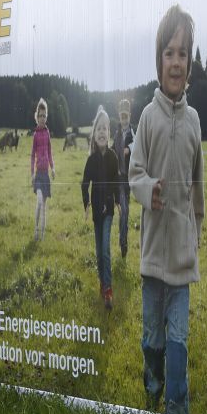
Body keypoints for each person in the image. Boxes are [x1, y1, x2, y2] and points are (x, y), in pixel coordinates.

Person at [128, 4, 205, 414]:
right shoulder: (147, 118)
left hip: (182, 260)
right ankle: (151, 393)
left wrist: (198, 228)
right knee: (152, 340)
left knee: (178, 340)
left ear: (190, 63)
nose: (176, 62)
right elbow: (134, 172)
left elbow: (198, 187)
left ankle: (178, 412)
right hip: (153, 258)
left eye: (183, 54)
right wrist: (147, 190)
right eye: (169, 53)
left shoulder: (193, 120)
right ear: (159, 60)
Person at [81, 106, 120, 310]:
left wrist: (118, 202)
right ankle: (102, 284)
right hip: (96, 211)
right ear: (94, 134)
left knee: (105, 249)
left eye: (105, 128)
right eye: (99, 129)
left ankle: (108, 289)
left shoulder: (113, 157)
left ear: (109, 132)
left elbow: (117, 180)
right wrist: (86, 203)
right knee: (98, 253)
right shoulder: (91, 160)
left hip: (108, 213)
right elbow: (84, 183)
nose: (102, 132)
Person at [112, 98, 135, 259]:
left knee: (125, 212)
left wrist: (129, 148)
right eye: (122, 116)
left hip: (129, 179)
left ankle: (123, 240)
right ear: (119, 117)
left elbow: (139, 145)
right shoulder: (117, 133)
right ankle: (123, 243)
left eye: (126, 116)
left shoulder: (133, 133)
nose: (124, 119)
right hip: (119, 178)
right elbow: (112, 151)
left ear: (130, 116)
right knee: (124, 210)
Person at [30, 98, 55, 241]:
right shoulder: (35, 135)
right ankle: (36, 230)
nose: (42, 118)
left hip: (46, 175)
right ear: (36, 116)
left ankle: (43, 235)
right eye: (40, 115)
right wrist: (32, 173)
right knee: (39, 201)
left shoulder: (47, 133)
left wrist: (53, 168)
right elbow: (32, 155)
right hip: (38, 175)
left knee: (44, 205)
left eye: (44, 115)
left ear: (46, 117)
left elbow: (50, 152)